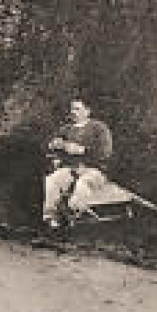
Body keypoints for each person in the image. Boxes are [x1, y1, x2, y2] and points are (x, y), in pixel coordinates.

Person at [42, 98, 115, 229]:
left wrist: (83, 150)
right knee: (52, 180)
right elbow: (52, 148)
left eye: (77, 109)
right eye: (72, 109)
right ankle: (51, 218)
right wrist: (55, 149)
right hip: (71, 168)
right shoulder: (66, 129)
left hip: (95, 170)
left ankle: (76, 217)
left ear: (87, 111)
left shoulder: (99, 128)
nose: (73, 112)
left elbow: (105, 152)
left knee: (82, 184)